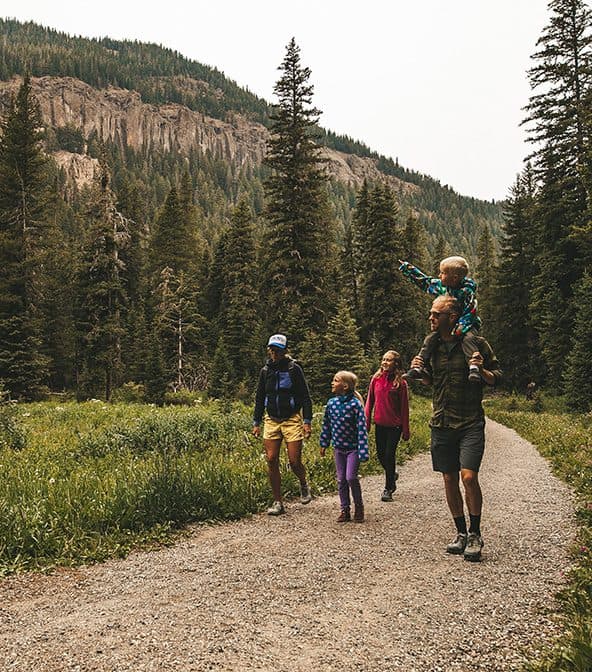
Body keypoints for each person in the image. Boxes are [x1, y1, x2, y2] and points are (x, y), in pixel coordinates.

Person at [410, 295, 502, 561]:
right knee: (449, 478)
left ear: (451, 317)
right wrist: (422, 373)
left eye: (435, 314)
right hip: (441, 422)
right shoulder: (433, 345)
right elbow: (430, 381)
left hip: (470, 421)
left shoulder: (476, 343)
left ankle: (475, 533)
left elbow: (497, 376)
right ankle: (460, 532)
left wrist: (482, 371)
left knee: (469, 477)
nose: (430, 318)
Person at [252, 334, 313, 516]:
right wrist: (256, 422)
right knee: (271, 459)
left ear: (285, 350)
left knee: (294, 461)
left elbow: (306, 397)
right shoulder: (265, 371)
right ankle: (278, 502)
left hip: (292, 418)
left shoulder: (294, 369)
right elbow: (259, 397)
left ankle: (303, 483)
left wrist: (307, 422)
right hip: (271, 419)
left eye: (278, 350)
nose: (274, 353)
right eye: (272, 349)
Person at [399, 256, 482, 383]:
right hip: (447, 326)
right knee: (430, 339)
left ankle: (474, 367)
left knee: (469, 339)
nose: (439, 275)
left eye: (443, 273)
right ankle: (419, 367)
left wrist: (460, 328)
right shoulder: (443, 287)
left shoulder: (467, 292)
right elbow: (425, 282)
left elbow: (470, 312)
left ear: (454, 278)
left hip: (467, 326)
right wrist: (408, 269)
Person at [320, 371, 369, 523]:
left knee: (351, 477)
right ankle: (345, 509)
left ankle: (359, 507)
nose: (332, 383)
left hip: (353, 449)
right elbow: (326, 425)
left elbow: (362, 429)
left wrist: (363, 451)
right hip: (338, 449)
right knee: (341, 479)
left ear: (345, 386)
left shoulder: (355, 405)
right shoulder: (331, 403)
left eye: (335, 380)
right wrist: (324, 443)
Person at [365, 351, 410, 502]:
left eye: (388, 360)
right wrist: (366, 422)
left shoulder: (401, 383)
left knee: (389, 455)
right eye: (383, 359)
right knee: (380, 455)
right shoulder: (376, 379)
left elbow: (404, 407)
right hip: (379, 423)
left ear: (395, 363)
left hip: (395, 426)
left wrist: (406, 429)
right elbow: (369, 401)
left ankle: (388, 488)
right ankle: (392, 474)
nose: (384, 362)